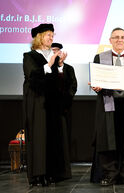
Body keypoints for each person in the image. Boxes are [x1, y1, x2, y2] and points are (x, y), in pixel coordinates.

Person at [90, 27, 124, 186]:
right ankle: (109, 175)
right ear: (110, 40)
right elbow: (96, 81)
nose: (119, 40)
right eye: (116, 37)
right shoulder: (100, 58)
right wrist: (95, 86)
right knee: (107, 141)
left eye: (122, 37)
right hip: (108, 104)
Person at [23, 23, 76, 187]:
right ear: (39, 37)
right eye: (48, 35)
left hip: (53, 105)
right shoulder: (30, 56)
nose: (51, 38)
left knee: (53, 139)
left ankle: (52, 173)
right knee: (39, 138)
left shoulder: (52, 57)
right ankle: (38, 175)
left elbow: (61, 83)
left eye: (52, 35)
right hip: (38, 102)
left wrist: (59, 66)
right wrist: (49, 64)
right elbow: (32, 77)